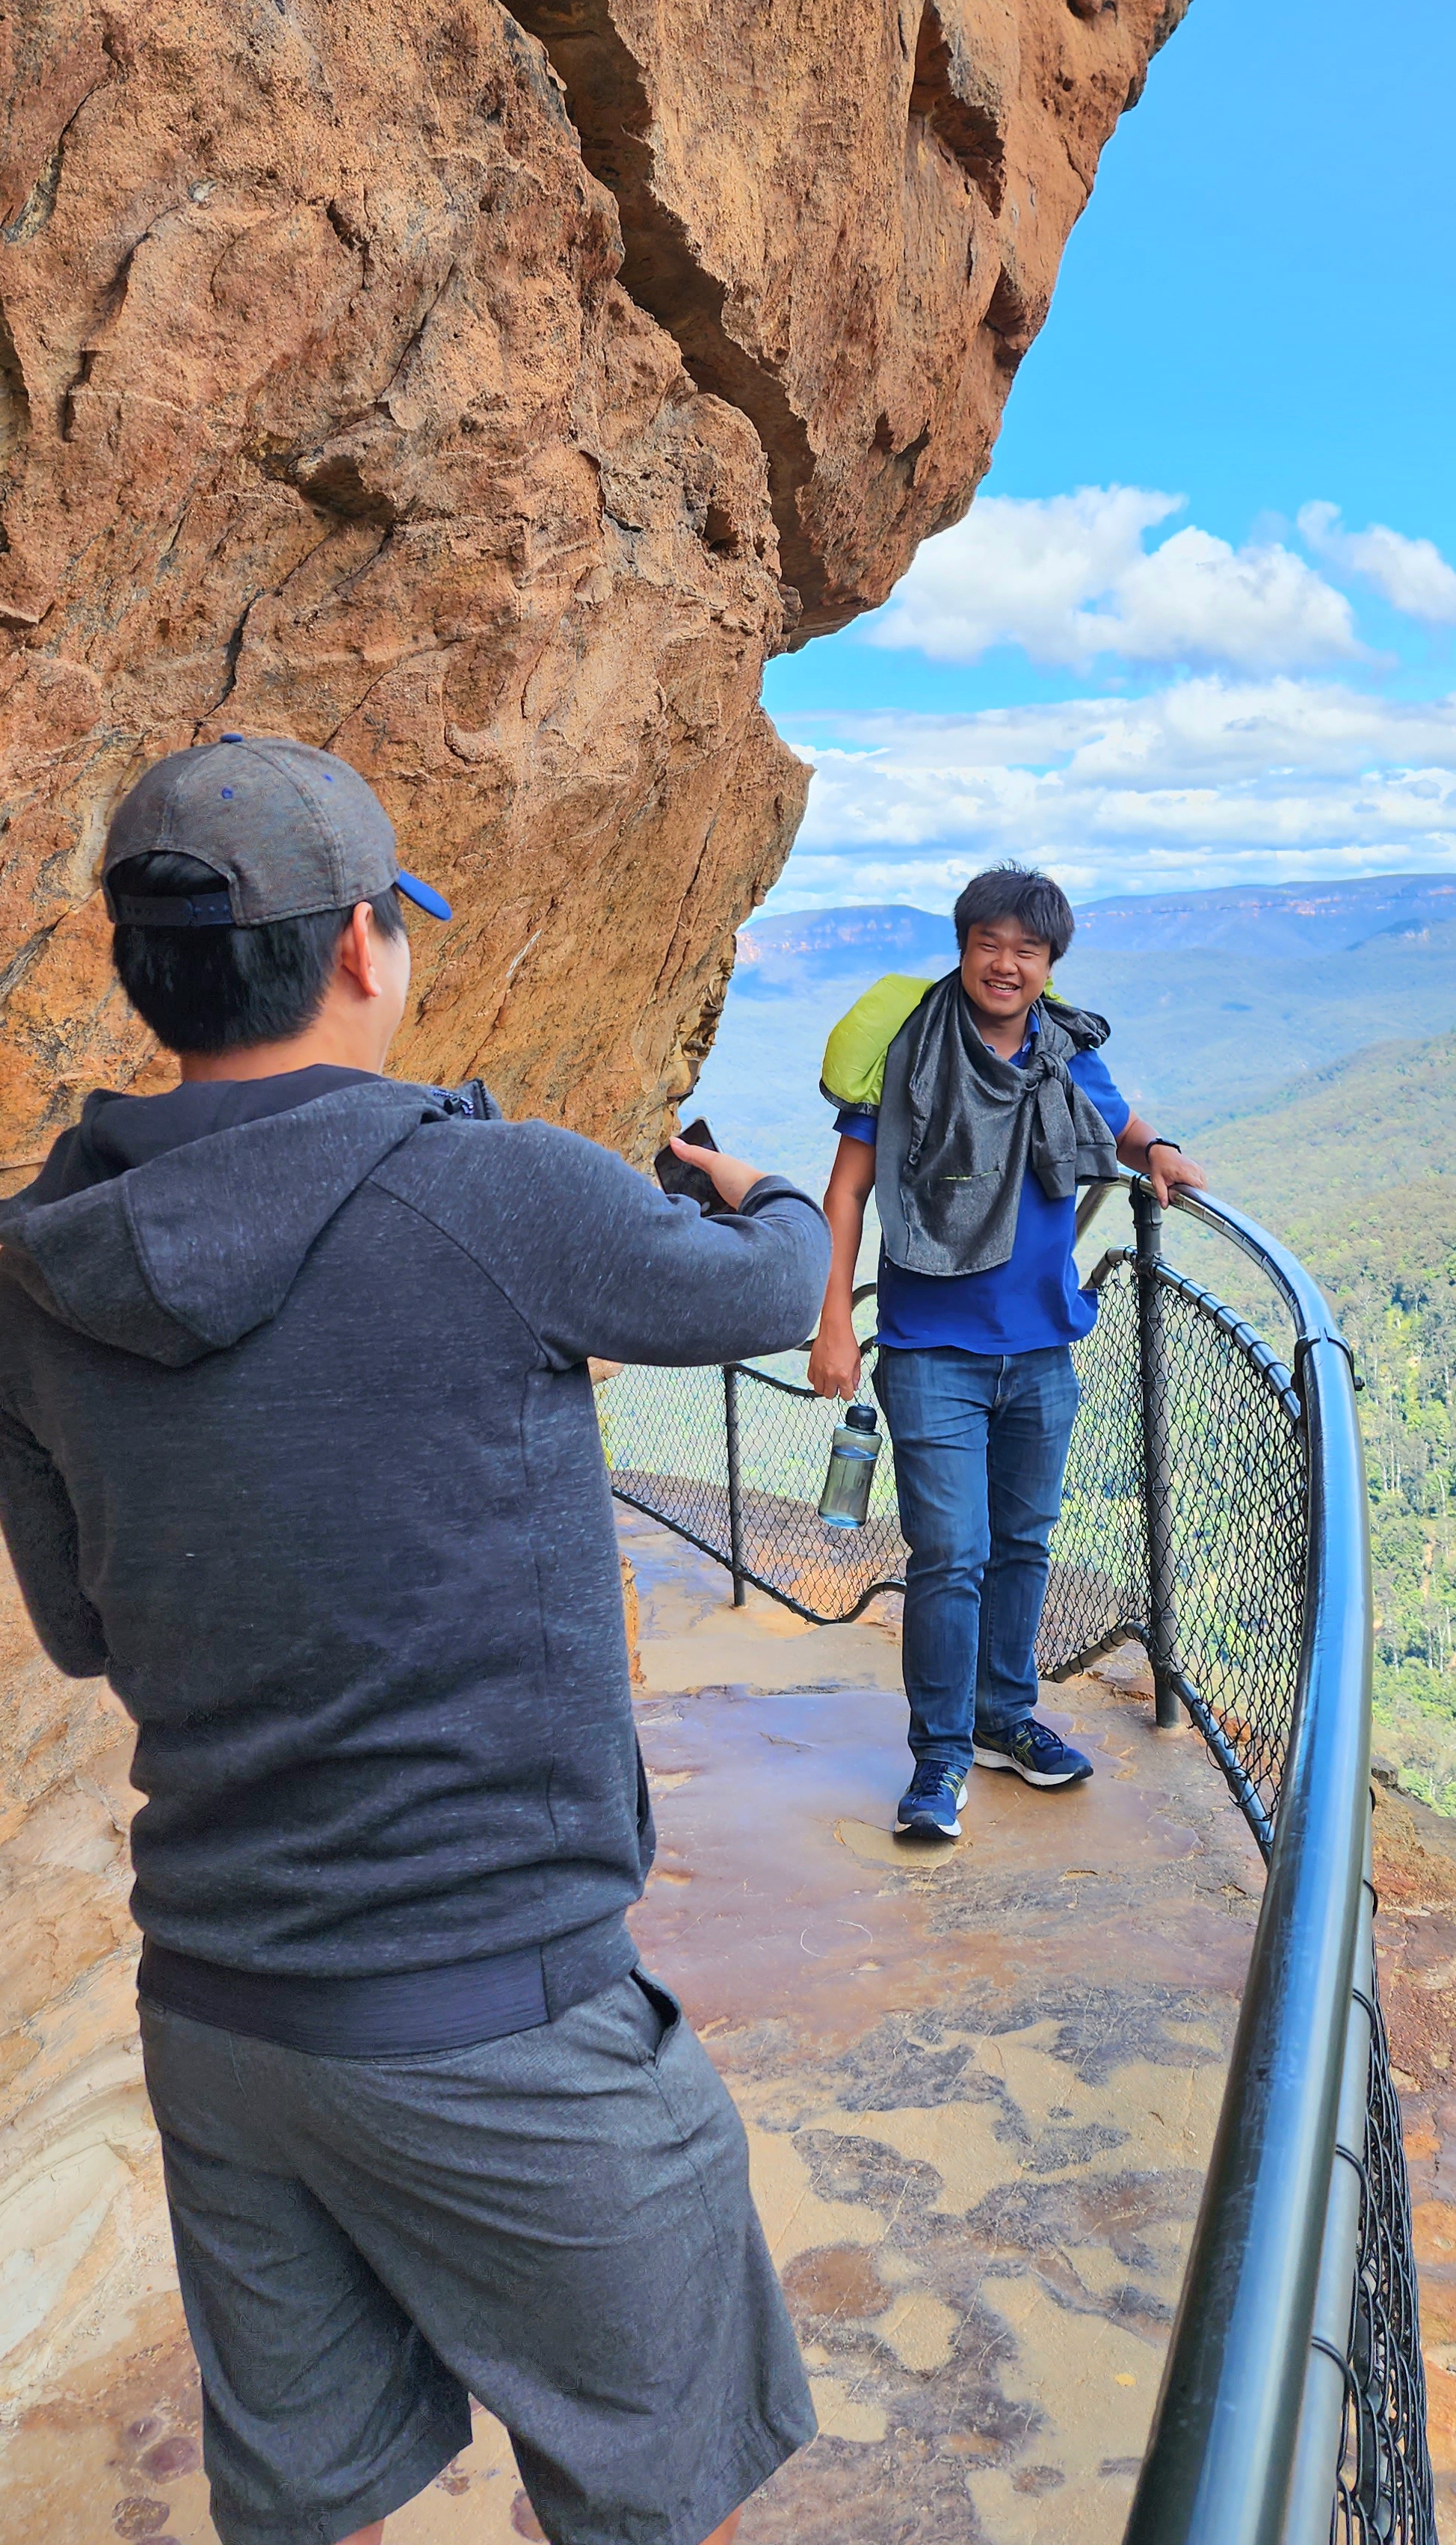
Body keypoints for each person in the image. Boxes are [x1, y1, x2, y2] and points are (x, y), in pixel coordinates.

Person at [0, 735, 827, 2545]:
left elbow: (74, 1622)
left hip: (222, 2009)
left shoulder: (34, 1263)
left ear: (146, 972)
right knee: (653, 2484)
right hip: (499, 2009)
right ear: (368, 944)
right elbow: (776, 1291)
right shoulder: (489, 1191)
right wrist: (757, 1185)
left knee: (313, 2505)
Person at [806, 866, 1206, 1841]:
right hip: (929, 1348)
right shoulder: (911, 1048)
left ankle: (1003, 1718)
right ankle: (939, 1758)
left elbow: (1117, 1124)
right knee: (952, 1554)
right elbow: (850, 1190)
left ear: (1049, 965)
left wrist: (1160, 1152)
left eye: (1028, 950)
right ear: (963, 946)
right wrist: (829, 1321)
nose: (1007, 963)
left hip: (1040, 1349)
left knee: (1023, 1546)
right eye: (991, 943)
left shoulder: (1064, 1047)